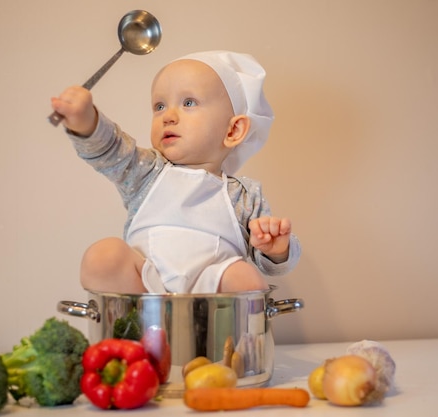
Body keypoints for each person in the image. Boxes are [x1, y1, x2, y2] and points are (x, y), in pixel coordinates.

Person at [50, 50, 301, 294]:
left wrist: (276, 250)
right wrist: (86, 121)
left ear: (233, 131)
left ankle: (227, 336)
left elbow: (268, 263)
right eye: (159, 106)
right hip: (144, 291)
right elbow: (111, 149)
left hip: (210, 300)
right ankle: (131, 331)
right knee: (103, 256)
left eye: (188, 103)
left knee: (245, 278)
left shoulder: (244, 196)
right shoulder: (146, 171)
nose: (168, 116)